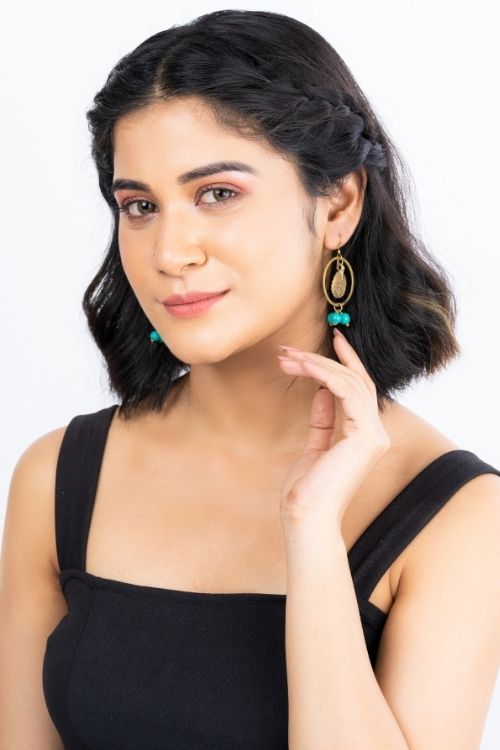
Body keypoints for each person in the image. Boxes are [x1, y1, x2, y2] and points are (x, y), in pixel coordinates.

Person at [1, 9, 499, 749]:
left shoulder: (457, 515)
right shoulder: (58, 478)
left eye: (218, 193)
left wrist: (313, 533)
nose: (169, 252)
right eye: (140, 206)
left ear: (338, 203)